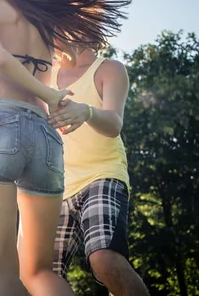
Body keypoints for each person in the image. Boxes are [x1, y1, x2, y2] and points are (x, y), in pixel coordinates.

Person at [0, 0, 130, 296]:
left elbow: (0, 59)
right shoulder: (47, 20)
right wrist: (48, 97)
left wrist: (50, 94)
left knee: (1, 273)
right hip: (46, 138)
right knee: (39, 273)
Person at [47, 46, 149, 295]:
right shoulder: (46, 72)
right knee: (42, 273)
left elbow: (114, 123)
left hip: (102, 175)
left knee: (104, 259)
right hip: (57, 187)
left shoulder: (109, 69)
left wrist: (87, 111)